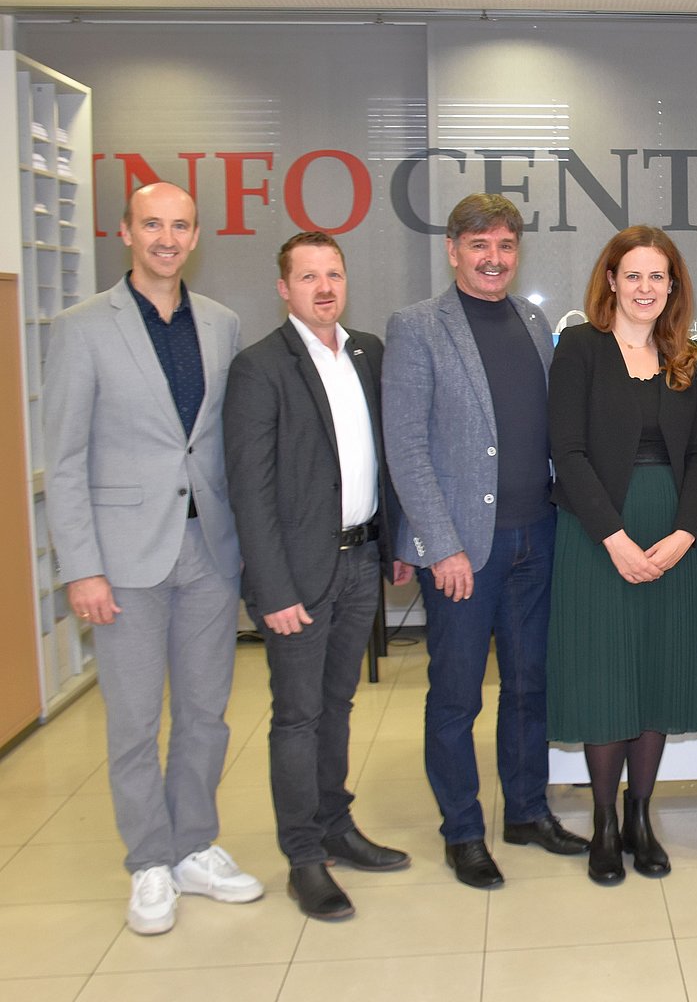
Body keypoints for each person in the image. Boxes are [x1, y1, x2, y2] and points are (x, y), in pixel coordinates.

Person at [43, 182, 262, 935]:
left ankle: (194, 845)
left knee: (205, 715)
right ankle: (148, 861)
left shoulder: (222, 324)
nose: (167, 238)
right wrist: (81, 567)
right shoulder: (82, 328)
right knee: (134, 722)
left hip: (209, 551)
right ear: (126, 232)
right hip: (123, 560)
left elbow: (221, 443)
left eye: (180, 226)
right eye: (152, 225)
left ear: (196, 236)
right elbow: (64, 461)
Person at [383, 193, 587, 891]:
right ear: (453, 250)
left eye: (504, 245)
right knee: (457, 695)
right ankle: (463, 830)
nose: (493, 259)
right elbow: (407, 447)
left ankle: (526, 811)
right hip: (464, 550)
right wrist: (440, 546)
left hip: (538, 537)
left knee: (530, 686)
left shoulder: (532, 320)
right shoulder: (417, 327)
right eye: (479, 246)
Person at [224, 232, 415, 920]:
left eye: (334, 273)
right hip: (298, 576)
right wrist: (272, 589)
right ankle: (303, 856)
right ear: (284, 288)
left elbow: (388, 454)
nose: (325, 287)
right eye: (308, 276)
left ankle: (336, 825)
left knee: (338, 705)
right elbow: (250, 490)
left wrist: (395, 540)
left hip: (362, 559)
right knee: (297, 717)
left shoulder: (368, 353)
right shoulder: (259, 367)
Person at [546, 226, 697, 886]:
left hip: (671, 536)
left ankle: (640, 817)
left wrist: (685, 533)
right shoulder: (580, 349)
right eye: (634, 275)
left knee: (658, 673)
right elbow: (568, 452)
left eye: (658, 276)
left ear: (673, 286)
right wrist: (614, 539)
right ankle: (605, 823)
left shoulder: (687, 358)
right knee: (605, 675)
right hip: (597, 536)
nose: (646, 287)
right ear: (612, 281)